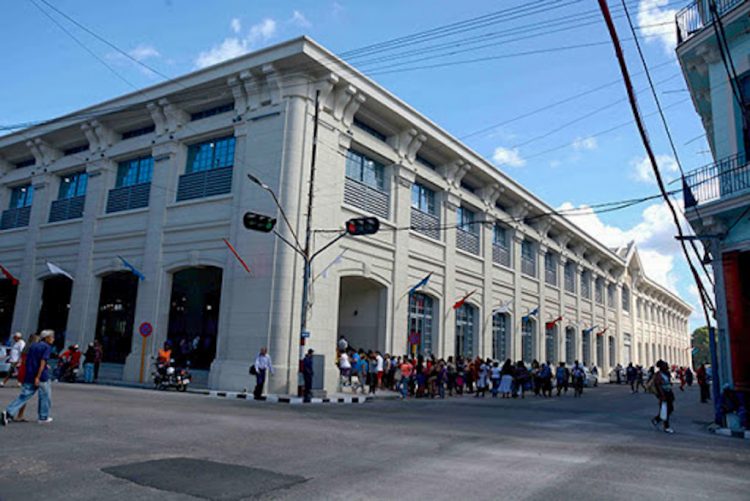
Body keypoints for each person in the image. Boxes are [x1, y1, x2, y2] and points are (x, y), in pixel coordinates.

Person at [2, 330, 55, 425]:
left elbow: (27, 361)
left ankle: (8, 412)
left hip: (29, 374)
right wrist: (38, 376)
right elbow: (42, 362)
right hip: (41, 376)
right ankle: (43, 417)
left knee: (24, 396)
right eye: (52, 337)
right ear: (47, 338)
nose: (53, 339)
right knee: (45, 396)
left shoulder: (33, 346)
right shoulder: (47, 347)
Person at [651, 360, 676, 434]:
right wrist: (662, 395)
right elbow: (658, 386)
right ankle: (666, 427)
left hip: (669, 392)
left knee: (670, 409)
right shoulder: (658, 375)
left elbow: (669, 382)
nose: (667, 366)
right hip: (663, 394)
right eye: (665, 365)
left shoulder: (667, 373)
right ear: (661, 367)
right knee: (665, 410)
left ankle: (657, 419)